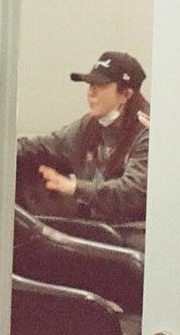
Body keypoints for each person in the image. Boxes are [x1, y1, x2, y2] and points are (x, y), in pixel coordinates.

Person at [16, 50, 150, 224]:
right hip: (96, 228)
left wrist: (74, 188)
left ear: (126, 94)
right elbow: (46, 145)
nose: (90, 93)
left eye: (100, 85)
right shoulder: (89, 126)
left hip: (134, 232)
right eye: (90, 85)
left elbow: (132, 194)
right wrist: (2, 147)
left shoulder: (147, 131)